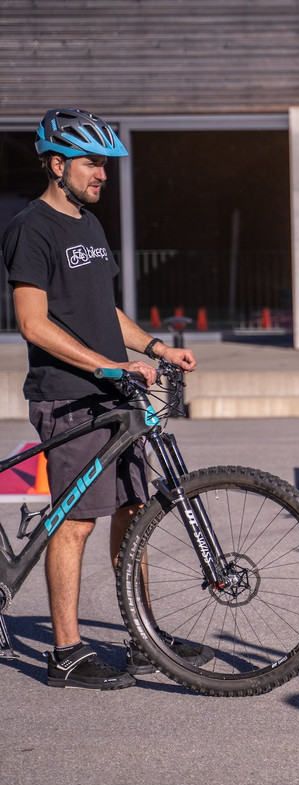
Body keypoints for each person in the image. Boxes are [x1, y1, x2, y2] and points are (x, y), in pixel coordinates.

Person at [1, 109, 198, 690]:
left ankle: (143, 639)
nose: (102, 174)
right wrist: (110, 365)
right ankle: (65, 652)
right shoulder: (30, 228)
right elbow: (33, 324)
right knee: (78, 522)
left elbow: (103, 312)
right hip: (68, 396)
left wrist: (156, 347)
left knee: (134, 513)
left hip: (116, 394)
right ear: (57, 164)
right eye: (92, 163)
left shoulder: (88, 224)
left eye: (105, 165)